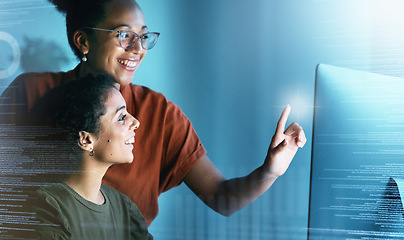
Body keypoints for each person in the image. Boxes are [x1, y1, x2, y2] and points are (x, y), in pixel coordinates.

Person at [0, 0, 306, 226]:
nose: (138, 48)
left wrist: (271, 171)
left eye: (143, 36)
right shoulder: (31, 94)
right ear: (83, 41)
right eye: (123, 35)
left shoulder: (160, 115)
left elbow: (222, 197)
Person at [27, 73, 153, 239]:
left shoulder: (124, 208)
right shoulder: (47, 207)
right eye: (121, 117)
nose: (136, 122)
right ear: (86, 140)